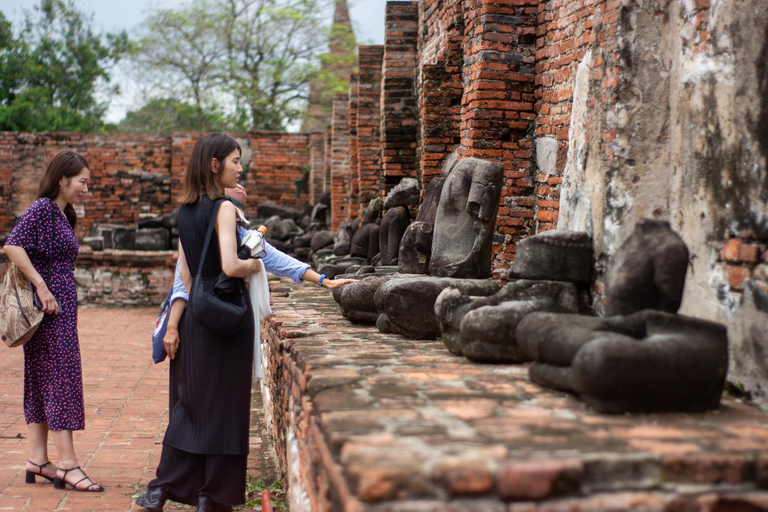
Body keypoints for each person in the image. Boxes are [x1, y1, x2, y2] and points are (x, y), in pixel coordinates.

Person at [136, 133, 353, 512]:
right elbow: (237, 264)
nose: (241, 167)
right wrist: (252, 266)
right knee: (227, 408)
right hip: (228, 316)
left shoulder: (185, 211)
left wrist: (178, 322)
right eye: (235, 160)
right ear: (214, 164)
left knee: (189, 406)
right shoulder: (223, 209)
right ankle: (212, 498)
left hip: (197, 319)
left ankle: (161, 489)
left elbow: (184, 275)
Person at [3, 151, 103, 492]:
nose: (86, 189)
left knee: (43, 379)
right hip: (48, 310)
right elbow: (13, 246)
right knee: (62, 379)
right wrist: (41, 285)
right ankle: (68, 466)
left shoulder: (63, 214)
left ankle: (38, 460)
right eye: (82, 182)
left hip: (57, 310)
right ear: (62, 179)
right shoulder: (44, 208)